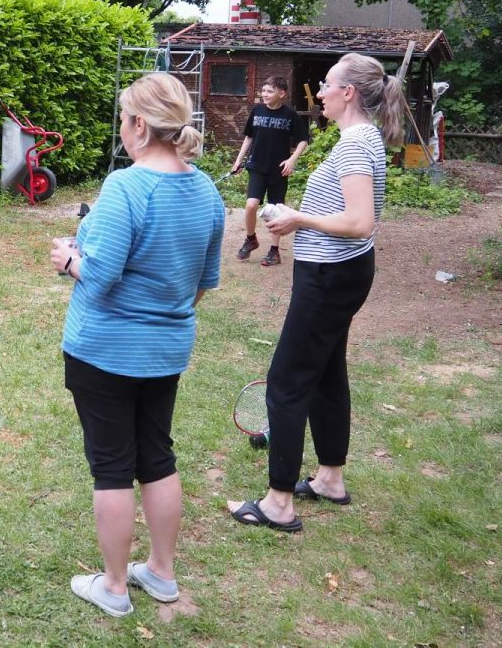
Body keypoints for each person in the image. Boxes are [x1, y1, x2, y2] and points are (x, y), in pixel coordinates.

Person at [50, 72, 224, 617]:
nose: (122, 128)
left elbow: (99, 276)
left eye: (124, 119)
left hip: (104, 351)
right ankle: (162, 574)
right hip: (166, 352)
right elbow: (202, 283)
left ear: (141, 126)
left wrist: (68, 259)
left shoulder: (126, 186)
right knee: (156, 457)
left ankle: (115, 587)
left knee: (111, 467)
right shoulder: (206, 190)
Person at [227, 53, 404, 532]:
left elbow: (361, 221)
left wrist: (298, 218)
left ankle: (278, 504)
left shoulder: (355, 144)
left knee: (286, 381)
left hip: (330, 276)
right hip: (339, 272)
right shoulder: (361, 138)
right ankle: (329, 479)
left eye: (326, 85)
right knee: (326, 373)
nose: (319, 92)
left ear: (348, 92)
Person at [230, 76, 310, 267]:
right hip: (257, 167)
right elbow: (249, 137)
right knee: (251, 205)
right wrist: (238, 160)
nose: (265, 94)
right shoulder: (257, 110)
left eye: (269, 91)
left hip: (279, 170)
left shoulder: (290, 114)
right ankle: (251, 239)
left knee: (275, 210)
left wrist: (292, 159)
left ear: (281, 94)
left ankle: (274, 251)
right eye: (263, 91)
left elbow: (303, 140)